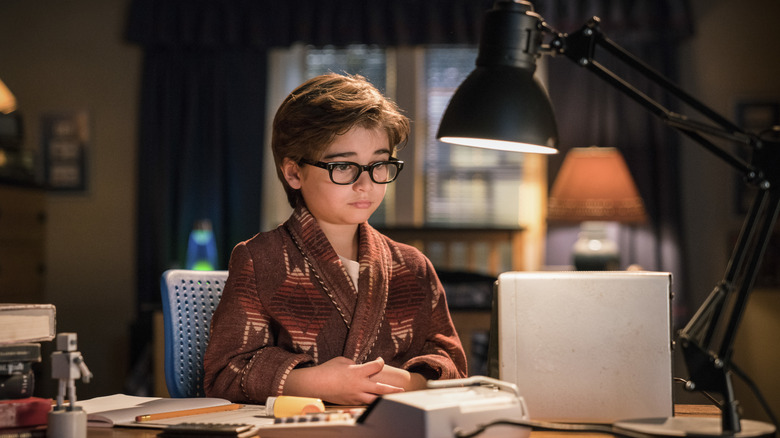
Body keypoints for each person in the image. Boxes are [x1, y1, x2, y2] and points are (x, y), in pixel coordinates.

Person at [203, 73, 467, 406]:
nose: (365, 184)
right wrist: (312, 383)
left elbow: (454, 369)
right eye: (343, 166)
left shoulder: (413, 266)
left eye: (379, 164)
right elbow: (224, 374)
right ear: (294, 172)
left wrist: (408, 382)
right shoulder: (259, 260)